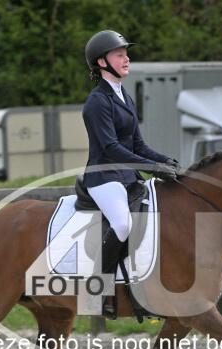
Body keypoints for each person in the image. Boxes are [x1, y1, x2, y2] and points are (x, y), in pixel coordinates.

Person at [81, 29, 179, 315]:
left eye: (126, 54)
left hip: (127, 176)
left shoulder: (124, 96)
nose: (126, 59)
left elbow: (138, 145)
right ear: (102, 62)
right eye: (119, 55)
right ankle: (98, 288)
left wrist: (165, 161)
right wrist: (151, 168)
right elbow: (111, 148)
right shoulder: (97, 102)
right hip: (103, 177)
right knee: (122, 224)